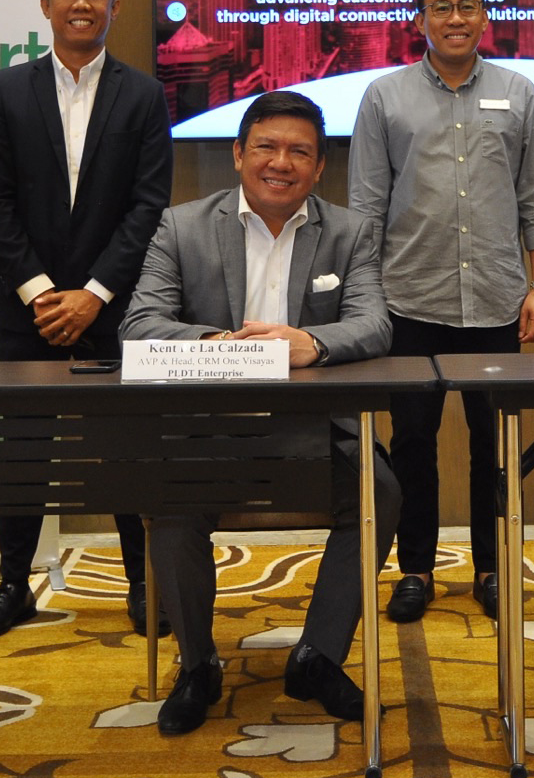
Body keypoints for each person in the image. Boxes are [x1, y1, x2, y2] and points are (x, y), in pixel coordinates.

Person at [119, 91, 398, 735]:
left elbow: (374, 324)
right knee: (169, 504)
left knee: (380, 493)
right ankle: (197, 665)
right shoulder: (182, 226)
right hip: (207, 430)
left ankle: (318, 656)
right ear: (238, 154)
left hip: (316, 432)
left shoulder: (350, 232)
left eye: (299, 152)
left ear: (319, 168)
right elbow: (140, 324)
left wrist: (312, 343)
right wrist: (224, 345)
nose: (281, 162)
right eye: (266, 147)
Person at [0, 0, 173, 641]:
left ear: (114, 6)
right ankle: (13, 586)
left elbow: (148, 206)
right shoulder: (6, 89)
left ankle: (142, 582)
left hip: (115, 307)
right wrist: (42, 294)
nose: (81, 4)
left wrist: (95, 294)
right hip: (29, 308)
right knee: (22, 451)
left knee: (126, 449)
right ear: (46, 5)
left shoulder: (143, 94)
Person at [349, 0, 534, 624]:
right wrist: (365, 299)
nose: (455, 18)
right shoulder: (384, 96)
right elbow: (365, 207)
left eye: (467, 6)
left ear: (485, 18)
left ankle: (491, 568)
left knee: (493, 444)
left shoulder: (519, 92)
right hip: (408, 296)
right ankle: (415, 569)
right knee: (412, 443)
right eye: (441, 7)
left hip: (497, 298)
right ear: (420, 21)